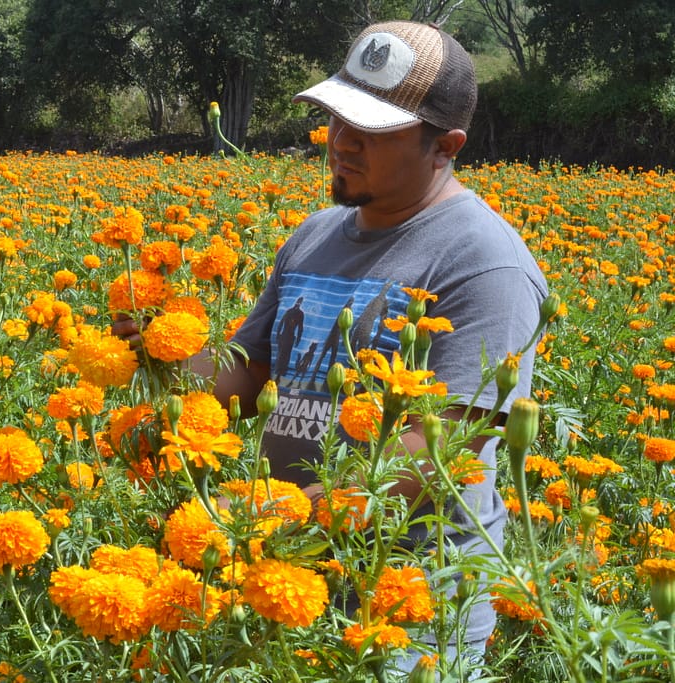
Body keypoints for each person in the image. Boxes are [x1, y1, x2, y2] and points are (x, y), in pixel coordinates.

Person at [115, 19, 548, 676]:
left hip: (404, 619)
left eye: (371, 130)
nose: (340, 142)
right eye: (336, 118)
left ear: (445, 146)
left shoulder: (486, 264)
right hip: (280, 586)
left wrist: (278, 511)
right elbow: (246, 373)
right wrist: (159, 355)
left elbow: (446, 450)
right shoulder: (316, 234)